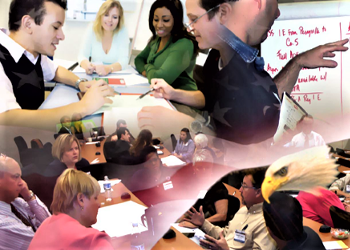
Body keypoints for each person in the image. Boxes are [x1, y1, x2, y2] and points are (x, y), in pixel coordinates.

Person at [137, 0, 348, 144]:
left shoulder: (241, 58)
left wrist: (186, 126)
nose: (190, 28)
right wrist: (173, 93)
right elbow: (214, 100)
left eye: (194, 19)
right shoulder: (218, 56)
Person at [0, 0, 114, 129]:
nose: (62, 36)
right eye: (55, 27)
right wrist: (84, 106)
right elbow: (6, 119)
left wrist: (80, 83)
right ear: (28, 24)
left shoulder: (33, 52)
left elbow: (55, 70)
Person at [183, 167, 277, 250]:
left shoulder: (267, 222)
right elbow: (224, 235)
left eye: (244, 186)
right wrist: (203, 223)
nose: (240, 190)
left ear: (258, 192)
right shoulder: (243, 210)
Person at [28, 169, 113, 249]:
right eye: (95, 198)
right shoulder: (92, 240)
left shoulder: (44, 226)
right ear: (81, 200)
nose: (99, 204)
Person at [134, 0, 199, 91]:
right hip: (157, 92)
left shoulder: (184, 44)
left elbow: (161, 79)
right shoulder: (157, 39)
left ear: (176, 20)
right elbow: (139, 59)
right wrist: (147, 72)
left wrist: (147, 66)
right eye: (156, 19)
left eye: (166, 20)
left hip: (180, 100)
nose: (159, 25)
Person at [0, 154, 51, 249]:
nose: (22, 183)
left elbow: (49, 222)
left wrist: (29, 196)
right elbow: (47, 243)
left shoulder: (16, 202)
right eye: (16, 177)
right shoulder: (3, 224)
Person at [79, 0, 129, 76]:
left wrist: (108, 69)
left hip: (115, 74)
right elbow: (82, 56)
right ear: (100, 16)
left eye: (114, 17)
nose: (110, 20)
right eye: (106, 15)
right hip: (95, 74)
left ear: (119, 19)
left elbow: (124, 60)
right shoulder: (92, 28)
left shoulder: (122, 31)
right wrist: (87, 65)